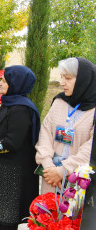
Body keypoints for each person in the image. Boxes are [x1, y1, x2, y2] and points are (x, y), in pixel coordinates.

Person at [0, 65, 40, 230]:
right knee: (1, 210)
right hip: (3, 166)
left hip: (12, 170)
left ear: (16, 83)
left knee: (9, 213)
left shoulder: (21, 109)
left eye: (4, 81)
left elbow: (12, 142)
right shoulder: (11, 102)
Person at [36, 57, 96, 194]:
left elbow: (91, 148)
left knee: (70, 214)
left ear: (83, 80)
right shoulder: (59, 101)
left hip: (77, 181)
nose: (62, 83)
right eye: (62, 77)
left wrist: (63, 171)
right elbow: (45, 132)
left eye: (68, 78)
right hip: (50, 177)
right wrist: (48, 165)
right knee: (48, 213)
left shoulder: (93, 110)